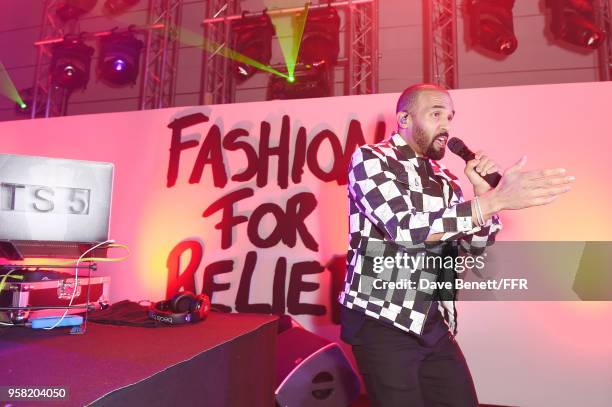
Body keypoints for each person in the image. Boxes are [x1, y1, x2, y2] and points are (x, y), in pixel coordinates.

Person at [338, 83, 574, 407]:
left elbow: (475, 247)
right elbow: (405, 229)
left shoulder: (445, 177)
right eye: (435, 114)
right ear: (404, 118)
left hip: (433, 322)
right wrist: (493, 202)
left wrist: (482, 194)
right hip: (383, 320)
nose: (446, 125)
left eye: (449, 117)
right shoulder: (372, 160)